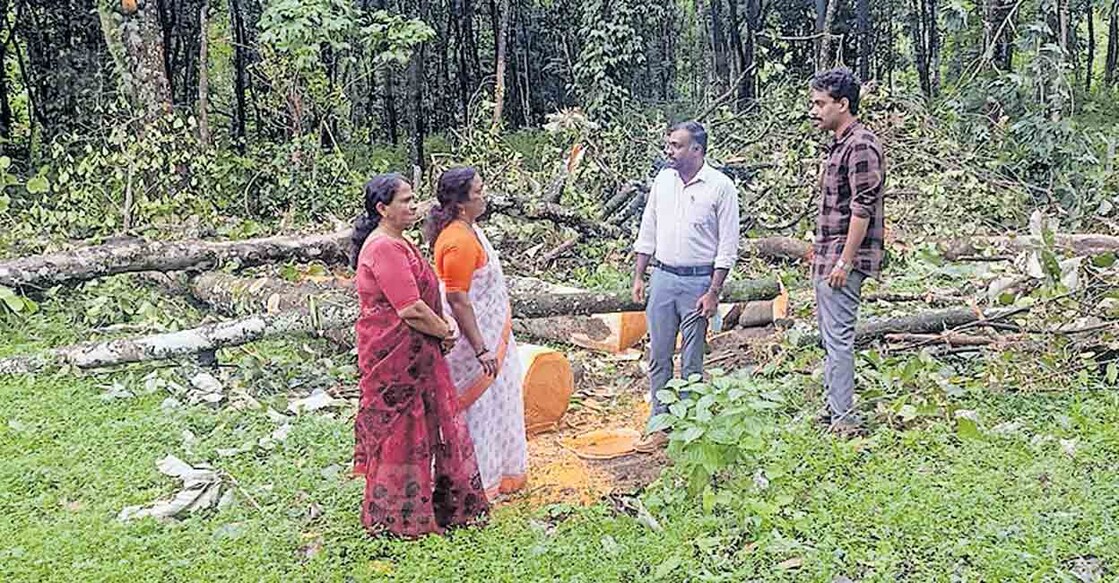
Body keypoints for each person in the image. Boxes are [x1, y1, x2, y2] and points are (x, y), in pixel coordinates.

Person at [350, 173, 489, 538]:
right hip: (395, 357)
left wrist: (439, 329)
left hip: (416, 352)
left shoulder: (400, 242)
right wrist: (446, 330)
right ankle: (398, 519)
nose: (414, 206)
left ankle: (426, 508)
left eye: (414, 199)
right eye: (405, 201)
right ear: (382, 209)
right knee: (400, 433)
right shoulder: (383, 248)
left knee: (420, 431)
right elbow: (409, 307)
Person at [631, 121, 741, 453]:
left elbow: (727, 245)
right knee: (659, 355)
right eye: (668, 145)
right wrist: (640, 275)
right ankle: (660, 424)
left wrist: (713, 291)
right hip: (663, 278)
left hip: (698, 282)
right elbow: (647, 229)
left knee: (692, 360)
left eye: (676, 146)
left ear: (697, 150)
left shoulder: (720, 187)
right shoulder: (663, 182)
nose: (669, 151)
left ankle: (691, 425)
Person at [426, 167, 528, 500]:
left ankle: (499, 475)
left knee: (497, 406)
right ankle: (475, 485)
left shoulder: (470, 231)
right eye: (479, 191)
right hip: (471, 347)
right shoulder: (457, 240)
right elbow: (457, 298)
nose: (484, 196)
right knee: (478, 414)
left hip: (488, 337)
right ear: (460, 203)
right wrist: (482, 348)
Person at [807, 68, 887, 435]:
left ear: (843, 104)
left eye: (821, 104)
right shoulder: (840, 143)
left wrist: (845, 260)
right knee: (829, 338)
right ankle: (834, 409)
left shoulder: (860, 145)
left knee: (838, 339)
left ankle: (844, 420)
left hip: (842, 260)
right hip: (828, 254)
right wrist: (819, 249)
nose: (815, 111)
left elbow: (862, 208)